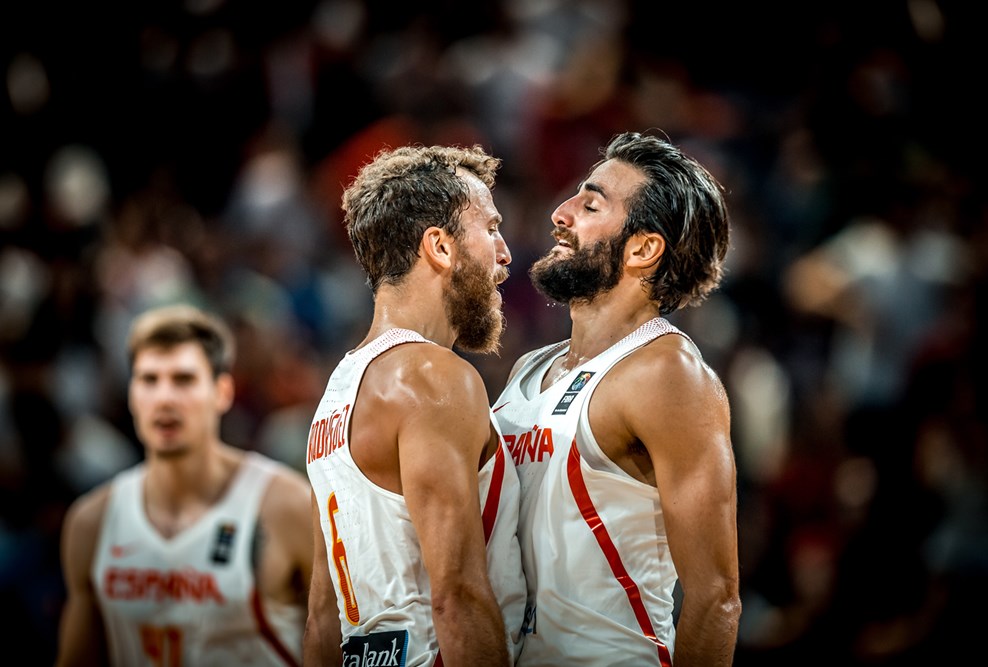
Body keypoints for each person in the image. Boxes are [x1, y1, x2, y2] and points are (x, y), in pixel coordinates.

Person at [493, 130, 742, 665]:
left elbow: (715, 597)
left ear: (644, 248)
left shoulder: (667, 373)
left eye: (590, 205)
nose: (560, 214)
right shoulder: (527, 370)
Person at [303, 144, 526, 666]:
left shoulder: (337, 393)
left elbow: (320, 618)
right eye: (491, 229)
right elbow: (457, 595)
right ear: (440, 247)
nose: (505, 254)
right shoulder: (432, 377)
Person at [55, 304, 314, 666]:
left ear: (222, 392)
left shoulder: (287, 506)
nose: (164, 398)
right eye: (149, 380)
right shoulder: (92, 522)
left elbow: (340, 642)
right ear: (131, 394)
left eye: (183, 380)